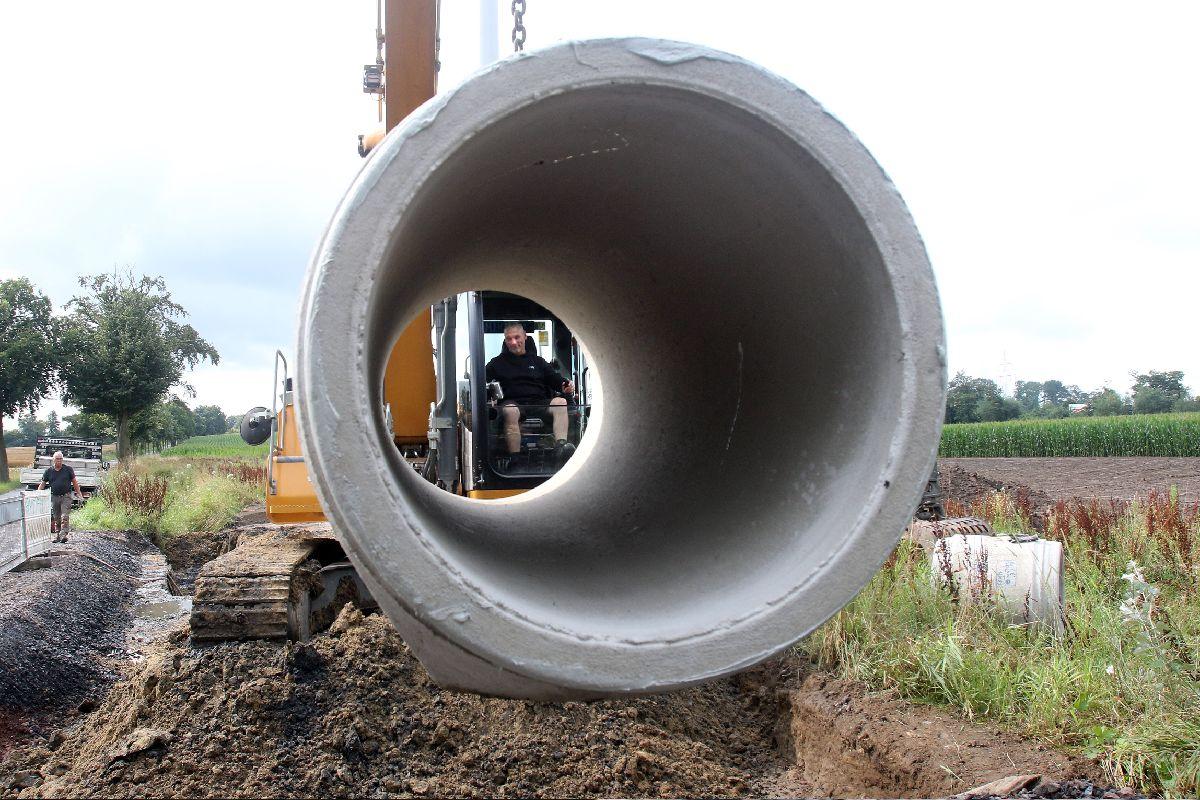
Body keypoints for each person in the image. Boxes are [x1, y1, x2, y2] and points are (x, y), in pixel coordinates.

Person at [485, 322, 575, 464]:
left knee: (561, 402)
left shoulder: (539, 362)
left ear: (525, 337)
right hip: (513, 404)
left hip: (538, 403)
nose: (514, 342)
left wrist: (565, 385)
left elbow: (555, 379)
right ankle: (515, 458)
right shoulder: (496, 363)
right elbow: (480, 380)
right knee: (510, 410)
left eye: (517, 337)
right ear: (505, 340)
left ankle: (560, 448)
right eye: (509, 339)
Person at [37, 451, 83, 543]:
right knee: (57, 517)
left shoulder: (68, 469)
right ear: (53, 460)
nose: (59, 461)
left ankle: (63, 535)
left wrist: (79, 494)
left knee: (64, 516)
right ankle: (57, 535)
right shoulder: (48, 471)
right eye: (57, 459)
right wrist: (37, 495)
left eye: (61, 459)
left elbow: (74, 482)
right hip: (54, 497)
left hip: (66, 496)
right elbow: (42, 484)